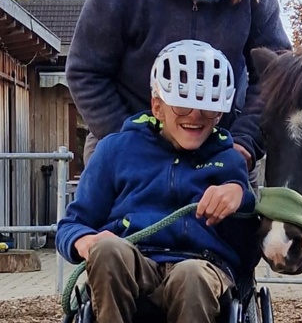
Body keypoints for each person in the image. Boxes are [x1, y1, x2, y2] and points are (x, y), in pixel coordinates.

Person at [65, 0, 292, 178]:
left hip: (220, 144)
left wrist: (246, 141)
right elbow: (85, 71)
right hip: (130, 140)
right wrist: (127, 138)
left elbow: (276, 76)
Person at [56, 40, 259, 323]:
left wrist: (241, 198)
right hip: (134, 262)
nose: (195, 117)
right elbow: (70, 225)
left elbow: (249, 251)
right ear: (157, 106)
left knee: (191, 275)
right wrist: (84, 241)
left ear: (220, 113)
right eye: (182, 106)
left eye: (207, 109)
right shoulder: (115, 150)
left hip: (203, 267)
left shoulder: (229, 162)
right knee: (108, 249)